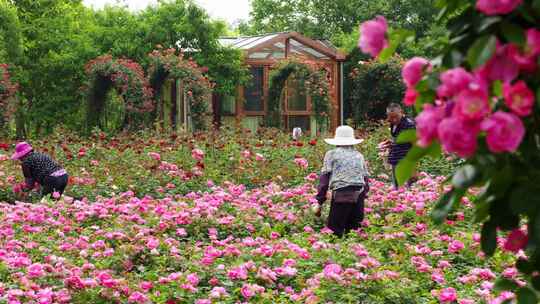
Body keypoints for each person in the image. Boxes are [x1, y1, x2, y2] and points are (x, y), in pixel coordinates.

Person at [314, 125, 369, 237]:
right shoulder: (359, 156)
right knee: (354, 232)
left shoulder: (332, 154)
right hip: (358, 194)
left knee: (334, 231)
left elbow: (324, 180)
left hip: (342, 194)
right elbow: (365, 180)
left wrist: (319, 201)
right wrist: (363, 197)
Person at [382, 103, 416, 189]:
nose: (394, 119)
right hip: (395, 159)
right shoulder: (393, 124)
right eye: (391, 117)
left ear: (401, 112)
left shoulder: (409, 124)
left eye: (396, 116)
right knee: (397, 188)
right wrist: (391, 143)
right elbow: (401, 140)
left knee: (407, 190)